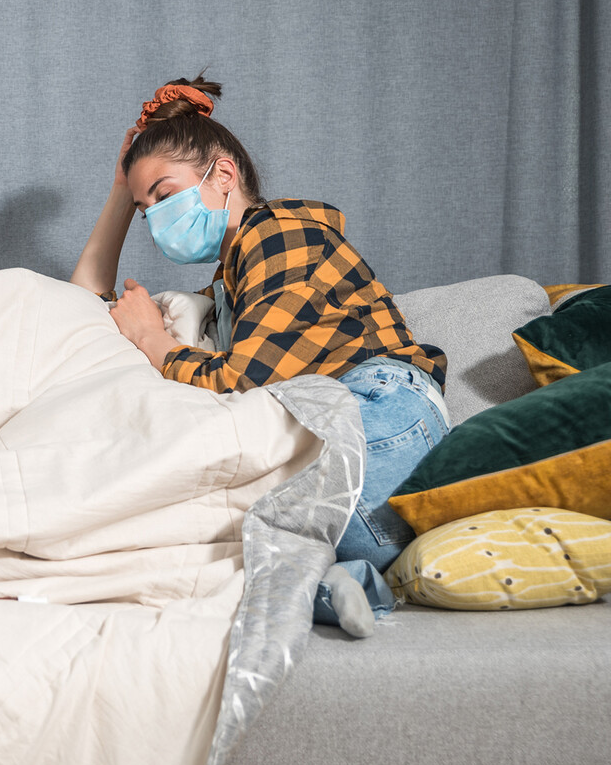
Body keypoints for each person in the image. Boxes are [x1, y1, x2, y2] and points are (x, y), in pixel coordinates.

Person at [71, 74, 450, 637]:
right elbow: (85, 308)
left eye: (164, 194)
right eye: (144, 209)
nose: (154, 220)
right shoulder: (228, 288)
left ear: (222, 174)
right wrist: (119, 195)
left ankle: (322, 566)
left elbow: (242, 378)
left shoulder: (281, 235)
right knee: (214, 546)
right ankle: (343, 581)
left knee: (203, 529)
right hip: (341, 440)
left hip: (383, 418)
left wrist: (155, 340)